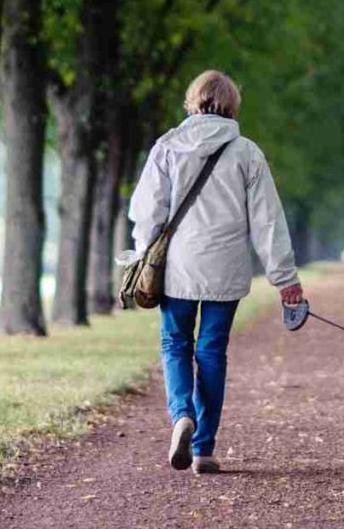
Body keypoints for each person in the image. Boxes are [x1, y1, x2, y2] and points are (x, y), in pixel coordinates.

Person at [128, 70, 304, 475]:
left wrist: (142, 253)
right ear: (231, 105)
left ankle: (182, 416)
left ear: (193, 101)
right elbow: (268, 221)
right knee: (211, 352)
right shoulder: (247, 153)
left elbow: (148, 211)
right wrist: (285, 278)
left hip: (178, 267)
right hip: (226, 268)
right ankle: (204, 448)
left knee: (176, 345)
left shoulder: (168, 147)